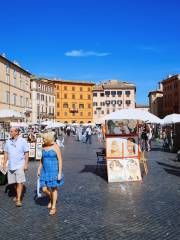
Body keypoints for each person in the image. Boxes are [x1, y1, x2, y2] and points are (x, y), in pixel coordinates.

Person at [37, 132, 64, 215]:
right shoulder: (43, 146)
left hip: (54, 170)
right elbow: (42, 158)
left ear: (48, 139)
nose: (43, 140)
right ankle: (52, 198)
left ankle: (53, 207)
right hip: (45, 170)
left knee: (53, 188)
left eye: (44, 139)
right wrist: (39, 168)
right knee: (44, 189)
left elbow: (60, 160)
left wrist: (59, 173)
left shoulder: (55, 146)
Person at [3, 127, 29, 207]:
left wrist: (26, 164)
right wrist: (4, 163)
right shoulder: (7, 141)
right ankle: (17, 194)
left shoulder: (23, 141)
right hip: (11, 165)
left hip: (20, 165)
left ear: (17, 132)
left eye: (12, 131)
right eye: (10, 131)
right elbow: (6, 153)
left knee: (19, 182)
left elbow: (26, 153)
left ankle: (18, 199)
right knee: (13, 183)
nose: (10, 133)